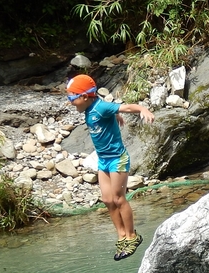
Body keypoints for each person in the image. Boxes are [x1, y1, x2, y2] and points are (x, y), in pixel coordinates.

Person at [66, 74, 155, 261]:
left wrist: (142, 109)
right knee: (107, 200)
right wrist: (116, 115)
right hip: (103, 160)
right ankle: (122, 235)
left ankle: (132, 236)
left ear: (84, 97)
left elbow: (127, 106)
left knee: (118, 198)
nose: (70, 102)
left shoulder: (101, 107)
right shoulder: (92, 108)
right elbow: (110, 111)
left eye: (72, 98)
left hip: (117, 159)